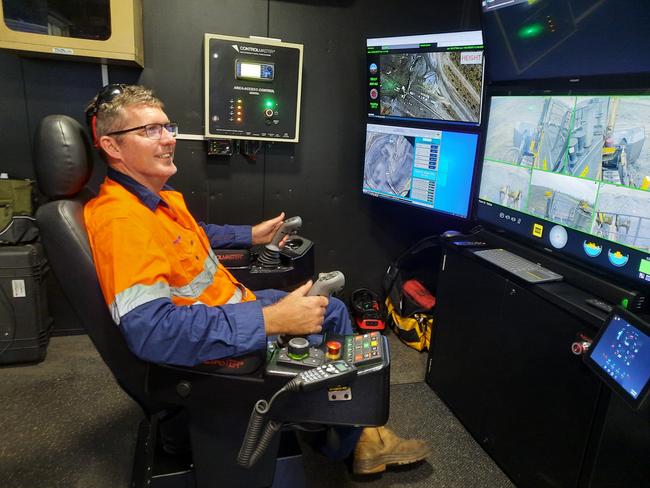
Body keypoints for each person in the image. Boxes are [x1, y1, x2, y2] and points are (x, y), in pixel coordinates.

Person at [83, 84, 429, 474]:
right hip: (212, 349)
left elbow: (193, 234)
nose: (168, 139)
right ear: (112, 147)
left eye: (168, 127)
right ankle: (355, 440)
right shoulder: (121, 222)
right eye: (149, 131)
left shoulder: (154, 200)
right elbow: (154, 333)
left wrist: (251, 235)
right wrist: (272, 321)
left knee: (325, 308)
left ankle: (346, 424)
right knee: (330, 313)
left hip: (228, 309)